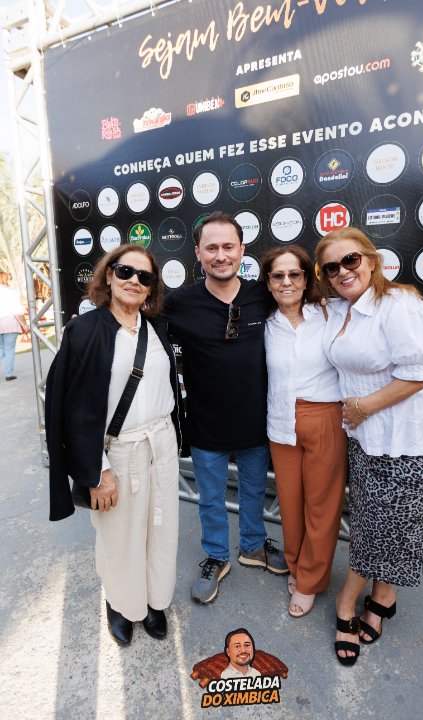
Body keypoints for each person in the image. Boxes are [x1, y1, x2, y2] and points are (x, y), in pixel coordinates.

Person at [314, 227, 423, 666]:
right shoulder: (341, 309)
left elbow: (422, 372)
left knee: (380, 530)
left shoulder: (398, 304)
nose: (342, 271)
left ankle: (347, 604)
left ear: (371, 260)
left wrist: (362, 407)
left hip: (410, 442)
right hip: (366, 441)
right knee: (381, 526)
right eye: (331, 267)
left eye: (350, 260)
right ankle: (383, 598)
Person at [46, 246, 185, 646]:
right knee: (119, 536)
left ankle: (154, 600)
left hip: (160, 444)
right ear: (108, 275)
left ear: (151, 288)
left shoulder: (158, 328)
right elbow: (73, 409)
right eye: (125, 271)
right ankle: (122, 604)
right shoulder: (85, 331)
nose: (134, 281)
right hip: (117, 452)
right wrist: (97, 469)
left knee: (161, 527)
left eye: (145, 277)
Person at [163, 211, 288, 605]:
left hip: (256, 421)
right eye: (212, 247)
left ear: (242, 249)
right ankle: (216, 556)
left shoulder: (262, 295)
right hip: (205, 424)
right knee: (211, 499)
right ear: (198, 253)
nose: (221, 255)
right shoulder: (178, 303)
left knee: (253, 490)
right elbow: (132, 323)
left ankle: (253, 546)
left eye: (228, 246)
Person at [261, 245, 347, 619]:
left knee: (321, 506)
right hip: (280, 421)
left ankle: (310, 581)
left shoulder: (330, 313)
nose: (286, 282)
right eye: (278, 275)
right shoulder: (263, 323)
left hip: (325, 417)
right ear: (268, 282)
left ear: (306, 277)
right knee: (290, 503)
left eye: (294, 274)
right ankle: (296, 564)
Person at [0, 270, 28, 380]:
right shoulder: (11, 293)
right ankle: (8, 374)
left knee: (1, 348)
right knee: (9, 349)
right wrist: (24, 324)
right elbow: (18, 311)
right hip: (10, 324)